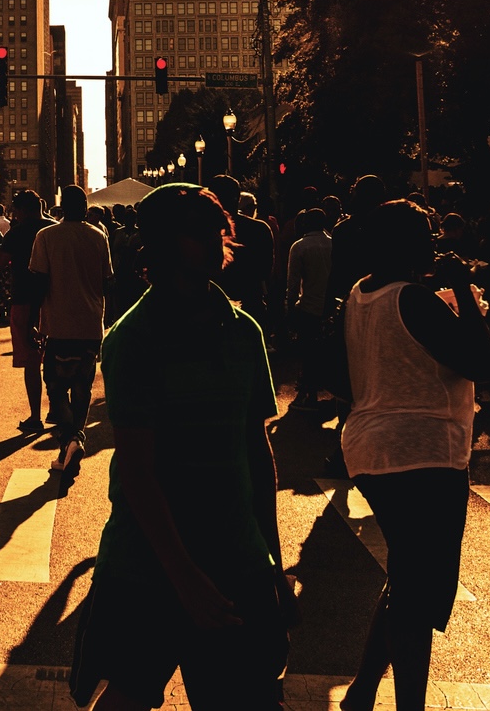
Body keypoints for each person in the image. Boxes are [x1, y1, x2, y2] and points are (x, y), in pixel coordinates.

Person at [69, 183, 286, 711]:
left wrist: (272, 562)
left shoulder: (243, 331)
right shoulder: (133, 338)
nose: (218, 242)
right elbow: (138, 472)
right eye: (200, 232)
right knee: (130, 694)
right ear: (165, 244)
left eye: (220, 231)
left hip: (235, 559)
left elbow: (257, 453)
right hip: (149, 562)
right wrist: (183, 578)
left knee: (252, 697)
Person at [340, 201, 490, 711]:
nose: (433, 243)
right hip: (423, 452)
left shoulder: (362, 294)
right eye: (426, 234)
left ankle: (363, 691)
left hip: (372, 445)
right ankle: (410, 705)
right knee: (419, 591)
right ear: (407, 244)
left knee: (407, 577)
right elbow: (480, 359)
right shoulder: (413, 298)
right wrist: (467, 295)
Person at [31, 185, 113, 472]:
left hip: (58, 326)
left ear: (62, 207)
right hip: (90, 325)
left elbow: (38, 282)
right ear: (86, 206)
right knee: (82, 389)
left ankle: (72, 438)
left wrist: (33, 321)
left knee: (55, 388)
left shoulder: (46, 236)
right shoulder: (98, 236)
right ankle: (69, 448)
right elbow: (107, 282)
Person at [0, 190, 48, 433]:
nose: (13, 215)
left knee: (32, 362)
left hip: (26, 300)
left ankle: (36, 416)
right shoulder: (53, 228)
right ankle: (61, 409)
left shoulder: (18, 233)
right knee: (57, 358)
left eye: (15, 210)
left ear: (24, 210)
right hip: (53, 302)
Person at [282, 207, 335, 409]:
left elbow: (293, 281)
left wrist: (290, 305)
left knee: (308, 351)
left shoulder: (300, 247)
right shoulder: (333, 243)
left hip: (308, 305)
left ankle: (308, 392)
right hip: (330, 305)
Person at [208, 175, 274, 331]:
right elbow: (265, 271)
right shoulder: (260, 229)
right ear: (238, 198)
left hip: (211, 308)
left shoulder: (202, 230)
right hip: (250, 303)